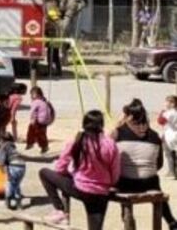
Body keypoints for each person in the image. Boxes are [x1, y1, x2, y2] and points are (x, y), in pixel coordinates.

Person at [39, 110, 121, 229]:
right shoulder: (110, 144)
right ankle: (60, 211)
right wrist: (110, 184)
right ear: (101, 125)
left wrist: (70, 172)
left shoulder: (78, 141)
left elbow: (60, 167)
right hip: (101, 192)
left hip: (81, 188)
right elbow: (115, 171)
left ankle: (59, 209)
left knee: (44, 173)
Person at [113, 99, 177, 228]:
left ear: (128, 116)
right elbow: (158, 165)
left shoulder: (118, 133)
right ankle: (171, 222)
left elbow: (107, 152)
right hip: (149, 182)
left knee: (121, 178)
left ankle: (128, 222)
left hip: (126, 182)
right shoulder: (154, 136)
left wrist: (117, 125)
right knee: (154, 182)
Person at [0, 131, 26, 210]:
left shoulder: (3, 147)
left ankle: (8, 203)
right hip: (22, 166)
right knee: (16, 185)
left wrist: (2, 169)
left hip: (13, 166)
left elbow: (2, 161)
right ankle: (19, 204)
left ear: (1, 140)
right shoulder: (13, 146)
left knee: (9, 184)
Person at [26, 86, 54, 154]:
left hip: (39, 120)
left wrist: (32, 119)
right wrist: (50, 120)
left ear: (37, 94)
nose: (31, 96)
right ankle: (44, 146)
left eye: (32, 94)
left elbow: (33, 111)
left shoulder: (36, 102)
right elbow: (51, 111)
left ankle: (30, 143)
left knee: (32, 131)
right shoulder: (45, 101)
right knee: (42, 134)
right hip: (45, 121)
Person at [158, 95, 177, 179]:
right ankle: (172, 171)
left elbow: (161, 121)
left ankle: (172, 172)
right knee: (173, 154)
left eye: (170, 102)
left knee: (169, 154)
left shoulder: (169, 112)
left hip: (170, 136)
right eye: (167, 101)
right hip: (174, 135)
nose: (167, 103)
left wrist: (162, 112)